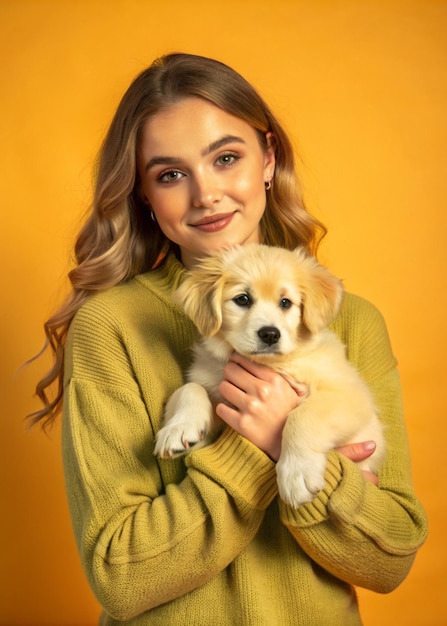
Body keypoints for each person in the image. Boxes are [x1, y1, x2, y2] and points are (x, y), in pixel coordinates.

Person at [30, 53, 428, 625]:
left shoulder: (352, 321)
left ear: (268, 159)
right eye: (170, 174)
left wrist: (300, 442)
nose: (206, 194)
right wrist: (256, 441)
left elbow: (389, 560)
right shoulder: (113, 326)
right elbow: (120, 577)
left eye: (226, 158)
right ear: (143, 193)